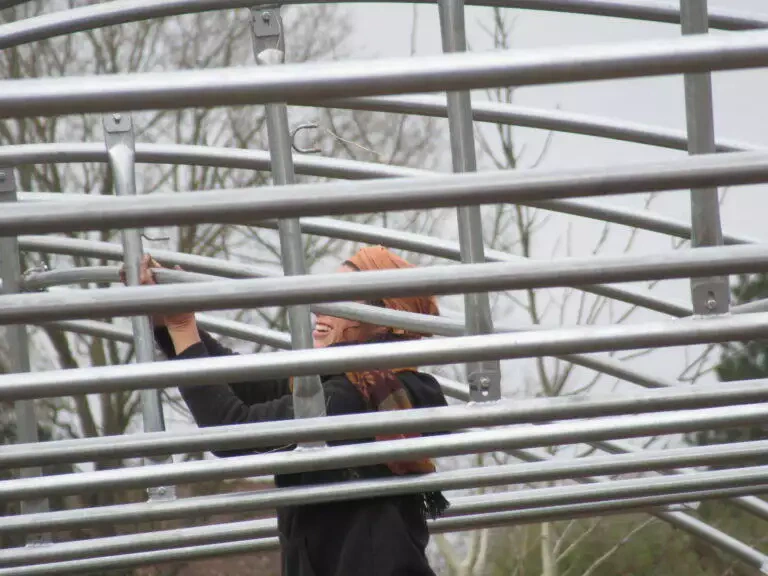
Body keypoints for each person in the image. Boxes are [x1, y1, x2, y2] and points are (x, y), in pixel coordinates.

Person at [126, 246, 448, 576]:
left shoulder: (360, 395)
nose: (320, 309)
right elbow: (242, 383)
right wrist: (169, 325)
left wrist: (181, 325)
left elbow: (232, 430)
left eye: (341, 298)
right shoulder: (352, 384)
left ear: (383, 320)